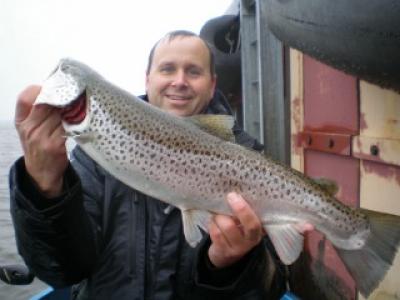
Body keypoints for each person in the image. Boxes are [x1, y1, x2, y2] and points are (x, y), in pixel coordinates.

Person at [9, 30, 286, 299]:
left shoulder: (249, 156)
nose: (179, 81)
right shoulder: (91, 159)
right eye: (167, 69)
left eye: (193, 71)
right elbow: (62, 271)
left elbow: (274, 285)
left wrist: (229, 266)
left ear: (212, 84)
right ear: (147, 79)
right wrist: (44, 192)